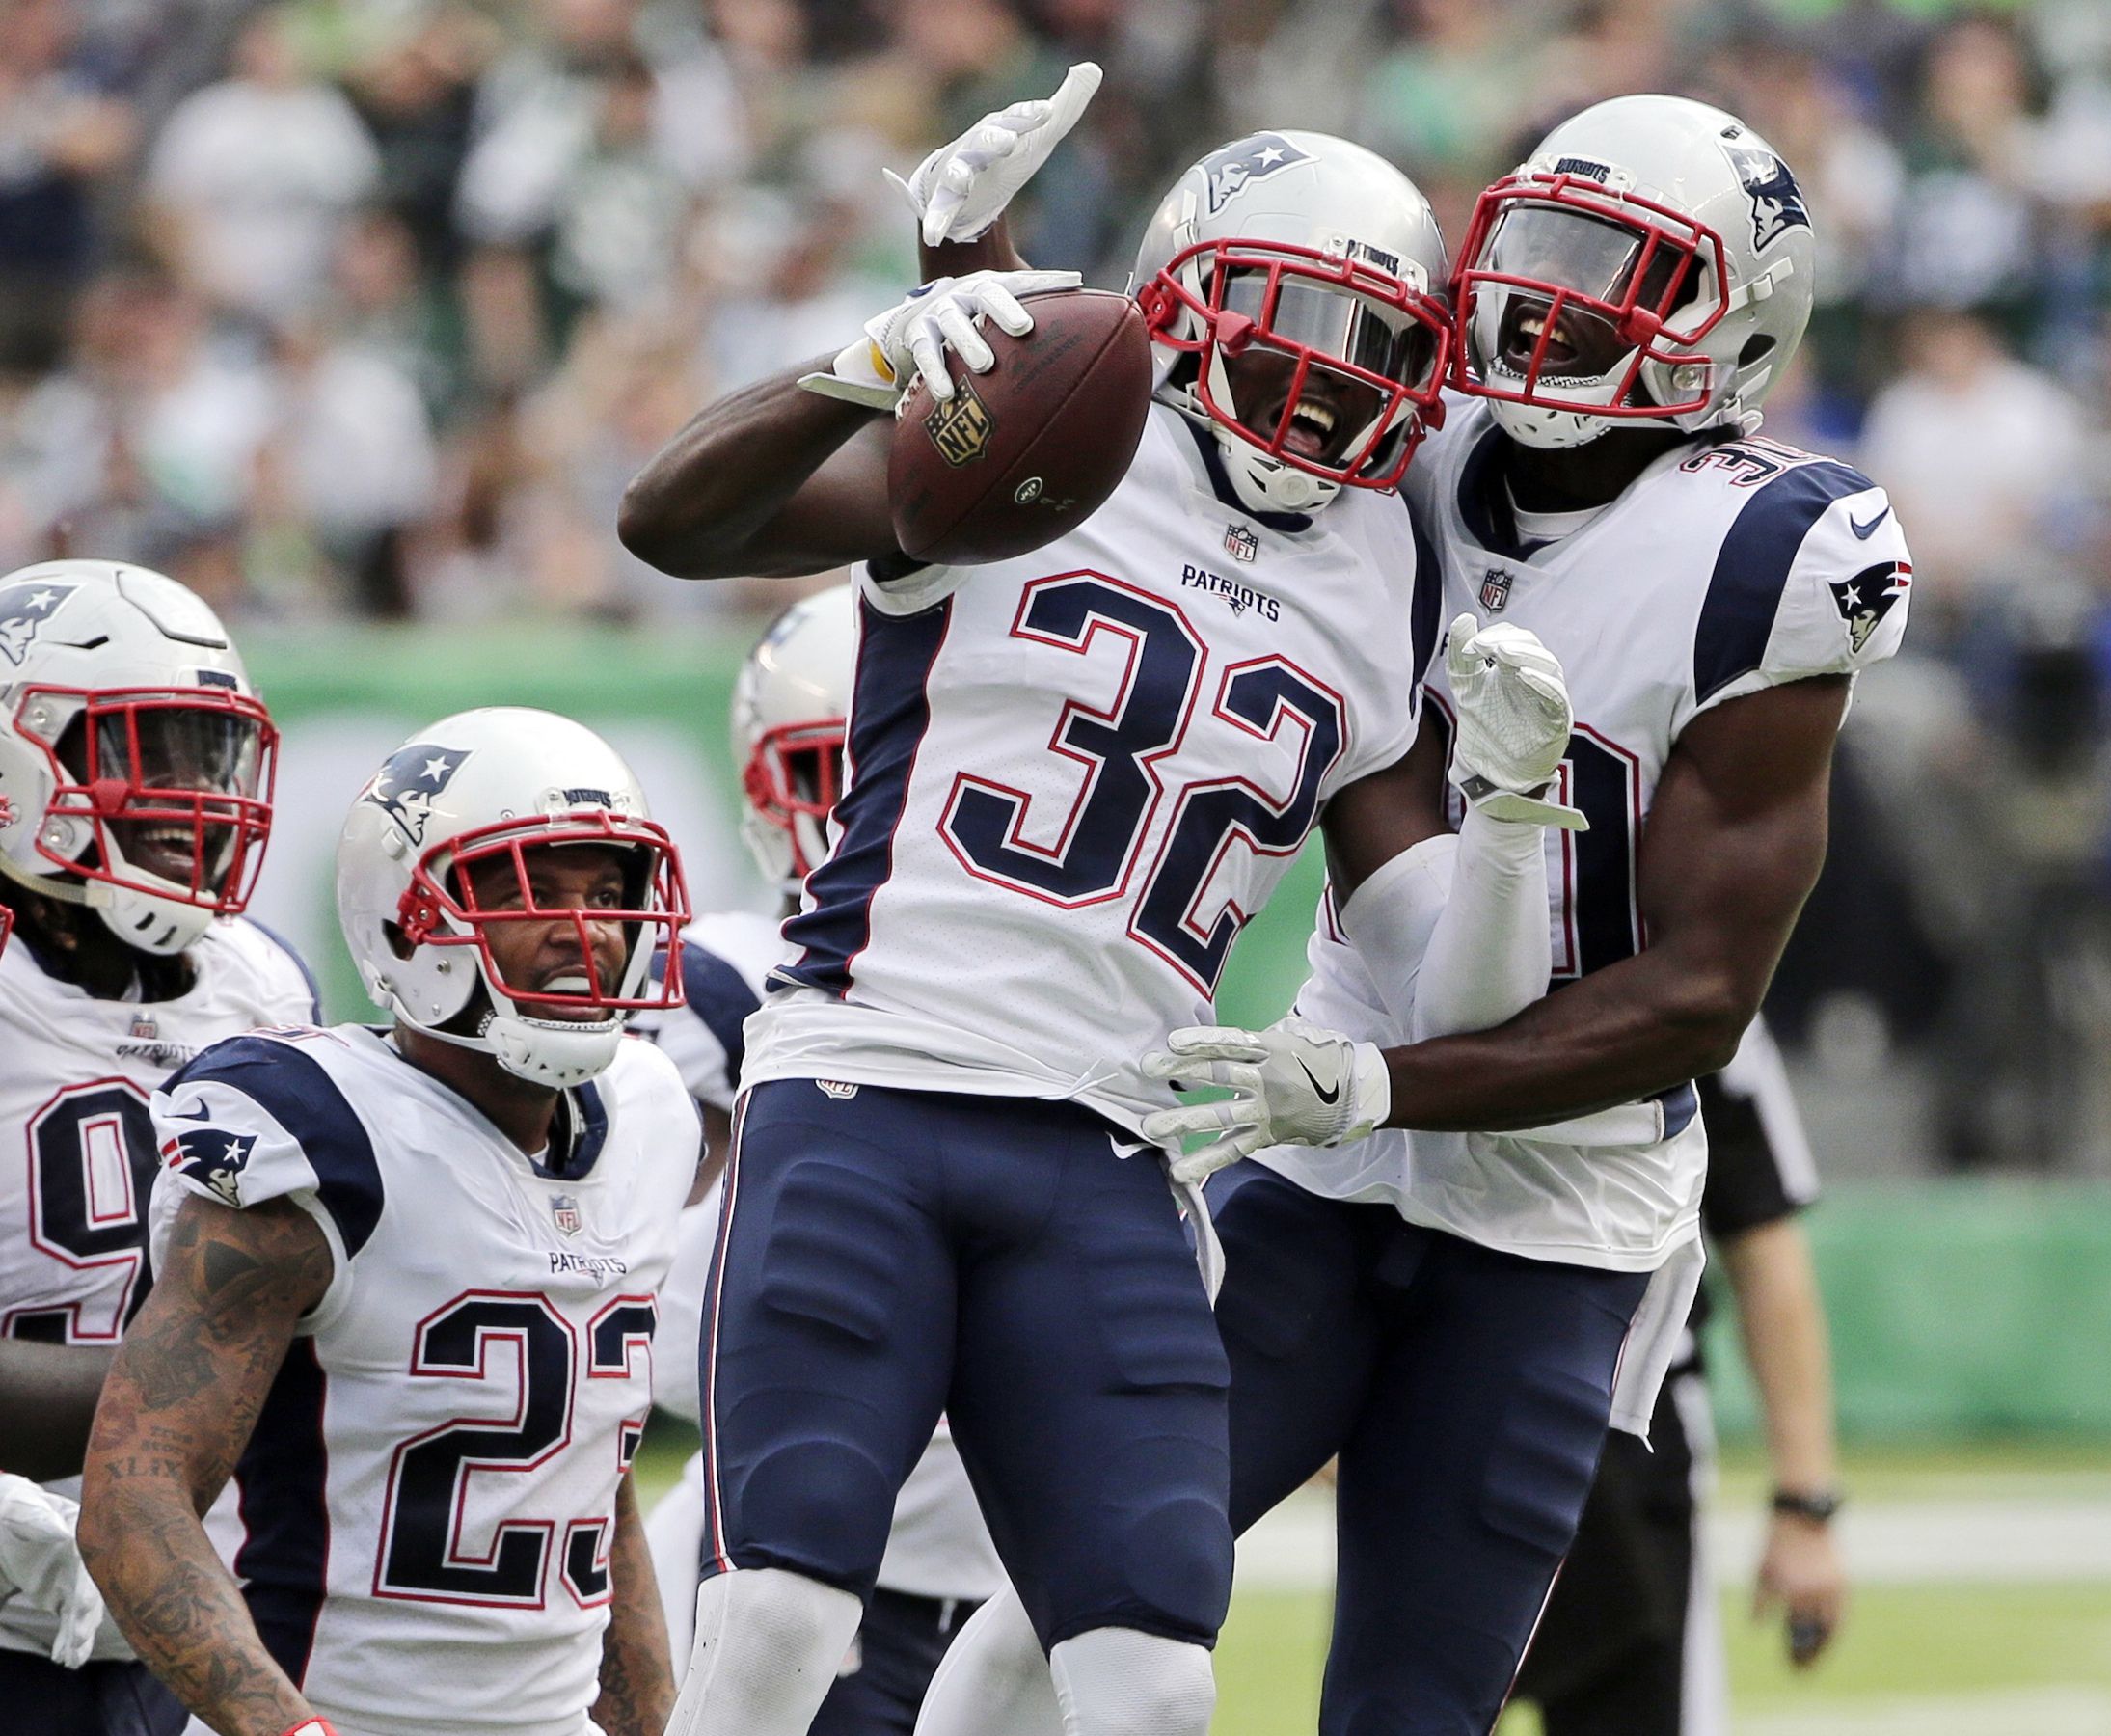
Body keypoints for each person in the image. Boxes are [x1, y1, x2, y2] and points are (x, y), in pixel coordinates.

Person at [912, 93, 1912, 1736]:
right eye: (1540, 246)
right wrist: (971, 262)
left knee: (1409, 1709)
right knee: (1067, 1604)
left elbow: (1697, 1002)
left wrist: (1383, 1085)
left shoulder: (1774, 555)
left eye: (1621, 267)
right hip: (1326, 1158)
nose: (1551, 297)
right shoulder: (1404, 435)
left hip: (1551, 1212)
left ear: (1738, 328)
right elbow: (1100, 430)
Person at [617, 72, 1589, 1736]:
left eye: (1374, 340)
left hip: (1108, 1139)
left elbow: (1442, 972)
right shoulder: (1060, 427)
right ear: (1183, 297)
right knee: (776, 1616)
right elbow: (673, 523)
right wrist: (870, 353)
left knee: (1148, 1688)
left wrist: (1511, 815)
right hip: (877, 1076)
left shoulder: (1381, 560)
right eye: (1291, 317)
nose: (1332, 373)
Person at [75, 708, 700, 1736]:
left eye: (608, 892)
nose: (584, 930)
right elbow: (135, 1498)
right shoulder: (323, 1139)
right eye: (533, 891)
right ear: (408, 921)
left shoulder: (647, 1118)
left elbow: (595, 1479)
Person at [631, 586, 1009, 1734]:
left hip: (1007, 1576)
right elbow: (652, 1320)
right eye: (829, 769)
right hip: (806, 1557)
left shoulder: (1048, 994)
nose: (874, 801)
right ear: (765, 793)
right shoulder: (727, 982)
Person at [0, 558, 317, 1736]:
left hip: (176, 1631)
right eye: (144, 752)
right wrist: (209, 1386)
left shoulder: (263, 984)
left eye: (203, 752)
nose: (190, 795)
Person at [1511, 1018, 1848, 1736]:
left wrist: (1805, 1501)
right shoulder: (1412, 946)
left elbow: (1763, 1235)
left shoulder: (1697, 983)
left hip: (1632, 1422)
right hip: (1442, 1410)